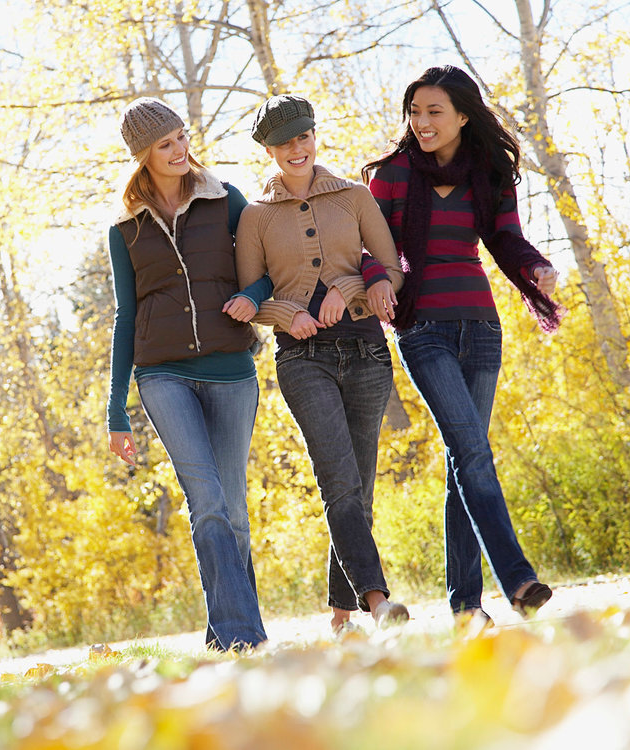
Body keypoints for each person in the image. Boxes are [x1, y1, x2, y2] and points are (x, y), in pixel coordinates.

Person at [361, 65, 565, 625]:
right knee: (472, 450)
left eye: (435, 112)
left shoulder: (490, 173)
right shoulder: (392, 175)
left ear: (463, 117)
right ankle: (519, 579)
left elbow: (505, 238)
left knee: (463, 461)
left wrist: (536, 267)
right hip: (421, 328)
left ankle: (465, 608)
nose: (421, 122)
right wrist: (376, 276)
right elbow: (366, 246)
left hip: (480, 325)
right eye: (415, 111)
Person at [231, 94, 411, 633]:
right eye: (284, 142)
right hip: (304, 360)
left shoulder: (355, 198)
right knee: (338, 479)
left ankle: (339, 614)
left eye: (303, 137)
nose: (296, 149)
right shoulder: (255, 217)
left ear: (314, 136)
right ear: (268, 149)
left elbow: (393, 271)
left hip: (367, 353)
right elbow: (249, 299)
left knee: (359, 483)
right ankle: (379, 603)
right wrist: (285, 312)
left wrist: (350, 285)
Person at [106, 97, 271, 651]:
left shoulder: (225, 200)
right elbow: (125, 315)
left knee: (233, 511)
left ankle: (225, 627)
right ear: (142, 156)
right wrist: (116, 409)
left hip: (230, 369)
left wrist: (251, 296)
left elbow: (266, 270)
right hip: (162, 376)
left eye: (181, 137)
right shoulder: (125, 228)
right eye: (165, 144)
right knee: (206, 501)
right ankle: (241, 636)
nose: (180, 150)